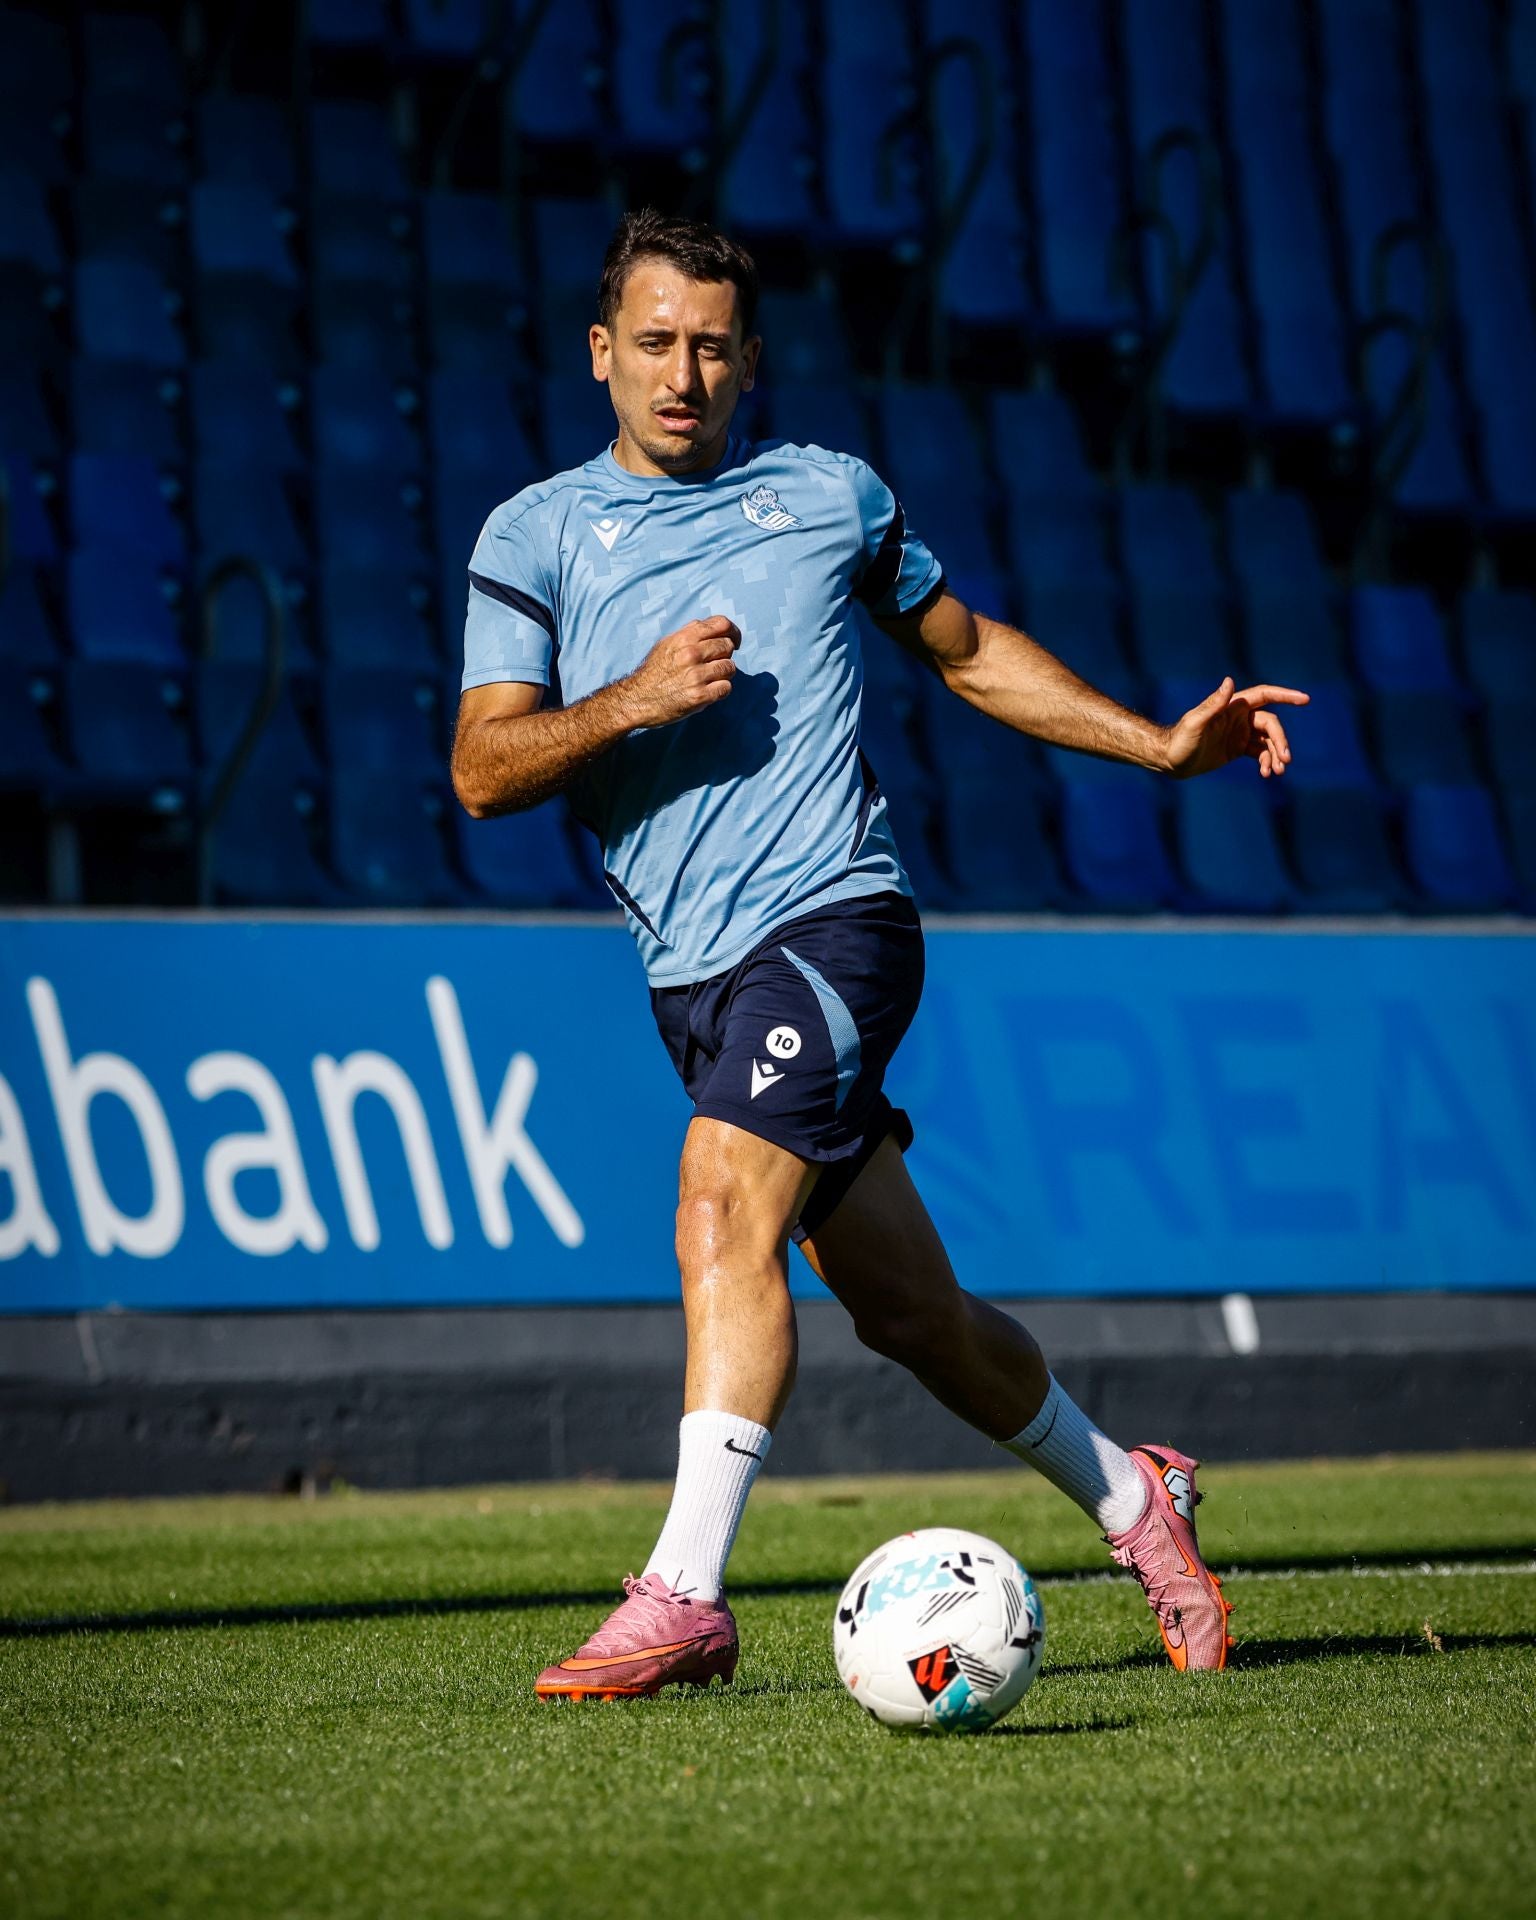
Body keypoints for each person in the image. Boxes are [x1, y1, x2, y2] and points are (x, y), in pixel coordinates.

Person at [452, 210, 1307, 1699]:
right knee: (913, 1313)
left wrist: (1158, 747)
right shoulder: (531, 536)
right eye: (654, 341)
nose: (683, 372)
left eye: (713, 346)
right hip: (691, 976)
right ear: (602, 354)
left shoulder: (830, 497)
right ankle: (1136, 1502)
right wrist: (633, 702)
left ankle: (682, 1595)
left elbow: (968, 650)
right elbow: (481, 766)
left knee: (723, 1206)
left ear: (751, 361)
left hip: (839, 924)